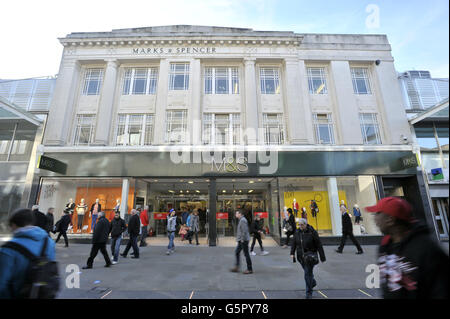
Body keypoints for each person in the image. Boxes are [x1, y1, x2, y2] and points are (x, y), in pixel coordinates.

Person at [366, 197, 449, 299]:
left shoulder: (427, 248)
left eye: (378, 213)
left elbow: (441, 289)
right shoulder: (385, 246)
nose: (374, 218)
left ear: (390, 220)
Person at [0, 208, 56, 298]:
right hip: (42, 293)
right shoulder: (48, 242)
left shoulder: (8, 249)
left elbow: (2, 282)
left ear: (14, 225)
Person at [290, 218, 326, 299]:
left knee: (307, 273)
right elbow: (294, 243)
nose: (300, 226)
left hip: (310, 256)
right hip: (301, 257)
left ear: (306, 224)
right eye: (299, 225)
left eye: (302, 225)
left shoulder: (312, 232)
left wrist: (322, 257)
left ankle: (308, 292)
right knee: (308, 273)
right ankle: (312, 282)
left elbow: (318, 244)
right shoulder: (297, 232)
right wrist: (292, 253)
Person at [230, 210, 253, 274]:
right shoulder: (241, 219)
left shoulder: (243, 220)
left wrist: (242, 239)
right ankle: (237, 267)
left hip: (243, 240)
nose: (235, 214)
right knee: (237, 252)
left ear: (240, 214)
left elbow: (244, 231)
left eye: (236, 213)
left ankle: (250, 269)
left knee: (246, 254)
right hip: (241, 240)